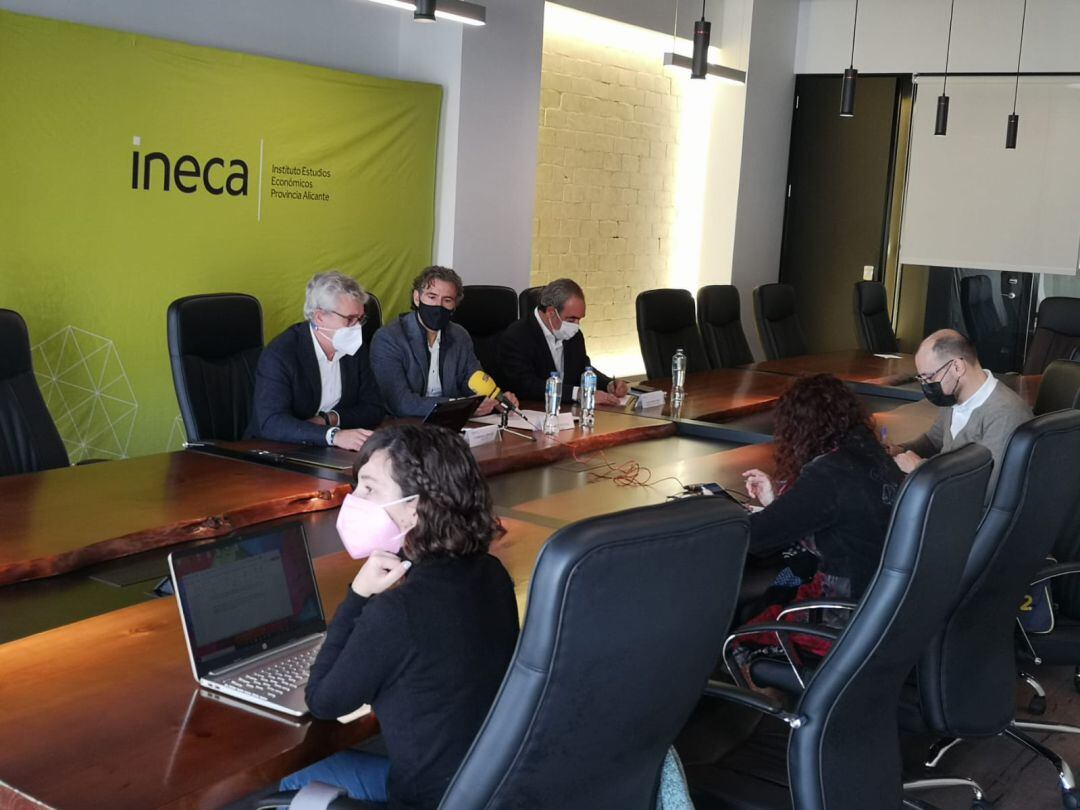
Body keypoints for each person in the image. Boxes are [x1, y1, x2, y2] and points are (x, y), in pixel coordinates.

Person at [281, 424, 520, 806]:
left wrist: (358, 594)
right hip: (485, 789)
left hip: (423, 800)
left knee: (284, 777)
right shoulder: (491, 573)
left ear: (416, 506)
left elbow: (324, 700)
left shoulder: (398, 610)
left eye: (370, 489)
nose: (353, 499)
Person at [737, 374, 904, 658]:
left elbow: (757, 538)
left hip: (843, 617)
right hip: (883, 608)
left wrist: (712, 521)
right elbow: (822, 516)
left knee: (746, 631)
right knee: (782, 582)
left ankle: (773, 690)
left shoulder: (829, 473)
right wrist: (777, 501)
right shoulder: (872, 454)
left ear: (799, 428)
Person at [246, 270, 382, 450]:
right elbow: (271, 421)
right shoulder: (281, 354)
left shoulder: (354, 349)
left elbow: (373, 407)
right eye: (350, 319)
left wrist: (329, 419)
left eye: (360, 318)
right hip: (274, 450)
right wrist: (333, 435)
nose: (357, 327)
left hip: (328, 450)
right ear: (319, 317)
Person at [893, 329, 1032, 493]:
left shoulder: (1006, 414)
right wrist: (899, 450)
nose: (926, 386)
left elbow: (985, 488)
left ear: (957, 367)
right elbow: (933, 442)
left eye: (929, 378)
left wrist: (918, 468)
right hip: (941, 496)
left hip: (963, 510)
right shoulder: (953, 398)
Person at [369, 266, 518, 418]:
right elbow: (401, 403)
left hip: (451, 425)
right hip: (403, 426)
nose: (438, 305)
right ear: (416, 298)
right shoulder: (389, 338)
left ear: (454, 305)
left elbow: (472, 380)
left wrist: (495, 399)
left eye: (447, 300)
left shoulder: (459, 335)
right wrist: (462, 406)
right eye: (432, 297)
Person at [497, 278, 629, 404]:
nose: (576, 326)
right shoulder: (516, 336)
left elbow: (582, 368)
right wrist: (578, 394)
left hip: (568, 413)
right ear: (550, 312)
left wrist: (608, 384)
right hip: (533, 414)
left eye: (579, 319)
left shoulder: (574, 335)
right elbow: (526, 385)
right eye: (571, 320)